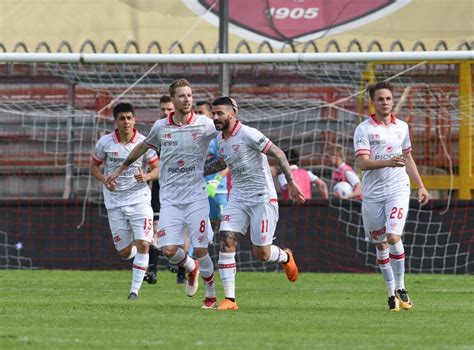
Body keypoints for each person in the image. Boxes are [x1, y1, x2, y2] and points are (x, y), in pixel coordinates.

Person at [107, 79, 218, 309]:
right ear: (173, 100)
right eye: (182, 96)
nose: (187, 99)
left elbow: (228, 129)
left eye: (189, 95)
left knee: (200, 247)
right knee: (168, 250)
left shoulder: (205, 124)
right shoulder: (161, 126)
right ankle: (191, 267)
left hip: (196, 196)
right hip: (170, 199)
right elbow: (143, 146)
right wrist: (121, 168)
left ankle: (211, 295)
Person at [207, 96, 305, 311]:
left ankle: (285, 255)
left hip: (262, 197)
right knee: (226, 241)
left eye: (219, 113)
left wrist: (292, 184)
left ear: (232, 113)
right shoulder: (220, 139)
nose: (215, 117)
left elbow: (278, 153)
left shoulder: (249, 133)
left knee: (260, 253)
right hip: (238, 198)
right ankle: (230, 300)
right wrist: (198, 171)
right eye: (213, 113)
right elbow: (224, 161)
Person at [354, 81, 429, 311]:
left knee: (394, 236)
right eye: (380, 99)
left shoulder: (402, 127)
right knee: (380, 244)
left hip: (398, 189)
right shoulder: (364, 129)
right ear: (373, 102)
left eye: (388, 98)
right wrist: (389, 161)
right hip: (373, 194)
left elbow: (407, 157)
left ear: (392, 100)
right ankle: (390, 293)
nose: (385, 102)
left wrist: (421, 186)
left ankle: (402, 288)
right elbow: (363, 164)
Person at [90, 102, 159, 300]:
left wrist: (146, 177)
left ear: (134, 120)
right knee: (124, 252)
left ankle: (134, 291)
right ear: (116, 122)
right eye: (122, 118)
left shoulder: (145, 142)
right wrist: (105, 180)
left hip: (139, 199)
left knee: (144, 244)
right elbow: (94, 166)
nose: (126, 122)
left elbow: (157, 169)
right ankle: (138, 250)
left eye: (129, 118)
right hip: (115, 201)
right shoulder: (105, 143)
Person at [196, 100, 230, 232]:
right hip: (198, 189)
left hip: (217, 189)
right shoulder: (195, 135)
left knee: (223, 226)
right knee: (198, 225)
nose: (198, 115)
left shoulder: (218, 135)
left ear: (210, 114)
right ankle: (194, 253)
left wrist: (216, 180)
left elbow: (228, 163)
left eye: (201, 112)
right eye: (196, 112)